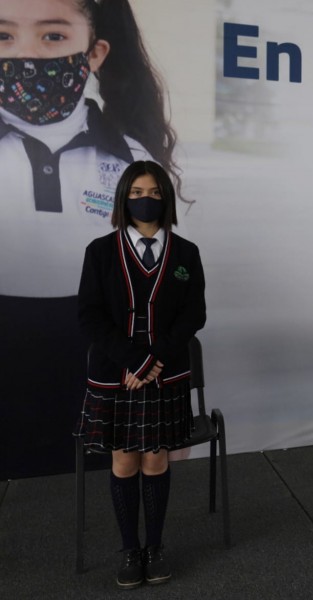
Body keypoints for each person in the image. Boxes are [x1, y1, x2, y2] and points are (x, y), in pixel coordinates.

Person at [0, 0, 184, 479]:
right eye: (4, 37)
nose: (26, 55)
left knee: (101, 493)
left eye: (52, 36)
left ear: (95, 52)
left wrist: (169, 404)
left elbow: (160, 282)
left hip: (101, 358)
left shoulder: (134, 162)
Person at [74, 160, 206, 588]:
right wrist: (134, 360)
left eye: (153, 192)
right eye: (135, 193)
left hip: (164, 375)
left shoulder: (186, 253)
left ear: (165, 198)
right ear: (122, 199)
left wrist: (155, 359)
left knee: (156, 459)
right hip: (116, 375)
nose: (145, 200)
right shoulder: (99, 251)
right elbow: (90, 316)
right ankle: (130, 548)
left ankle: (155, 545)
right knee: (124, 460)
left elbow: (194, 314)